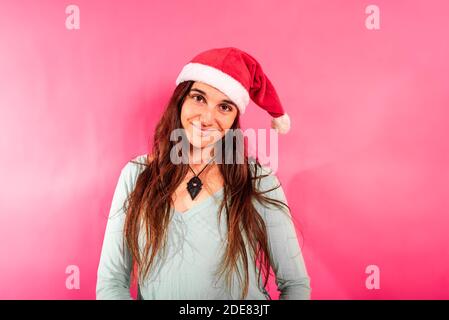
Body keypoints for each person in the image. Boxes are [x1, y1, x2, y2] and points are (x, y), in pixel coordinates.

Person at [96, 47, 311, 300]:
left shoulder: (259, 180)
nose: (207, 118)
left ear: (234, 118)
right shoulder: (136, 175)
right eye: (198, 98)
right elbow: (111, 283)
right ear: (181, 99)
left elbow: (295, 285)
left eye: (224, 107)